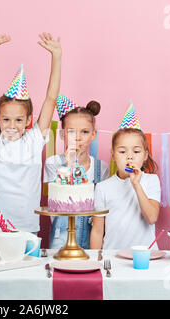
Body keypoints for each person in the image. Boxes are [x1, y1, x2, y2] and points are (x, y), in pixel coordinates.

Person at [0, 33, 61, 246]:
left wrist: (57, 57)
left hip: (28, 229)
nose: (12, 125)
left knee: (27, 279)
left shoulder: (34, 140)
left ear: (29, 120)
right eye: (6, 119)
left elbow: (51, 98)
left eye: (19, 120)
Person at [90, 105, 161, 249]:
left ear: (145, 155)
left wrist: (136, 185)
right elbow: (97, 231)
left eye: (136, 151)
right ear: (113, 155)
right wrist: (95, 260)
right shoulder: (103, 188)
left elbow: (152, 218)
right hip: (113, 257)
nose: (129, 156)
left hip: (146, 256)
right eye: (122, 151)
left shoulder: (152, 181)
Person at [43, 95, 109, 249]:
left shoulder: (102, 168)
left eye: (85, 132)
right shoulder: (53, 163)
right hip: (61, 240)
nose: (78, 138)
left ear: (94, 134)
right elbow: (59, 202)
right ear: (62, 134)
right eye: (71, 132)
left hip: (92, 239)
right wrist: (69, 164)